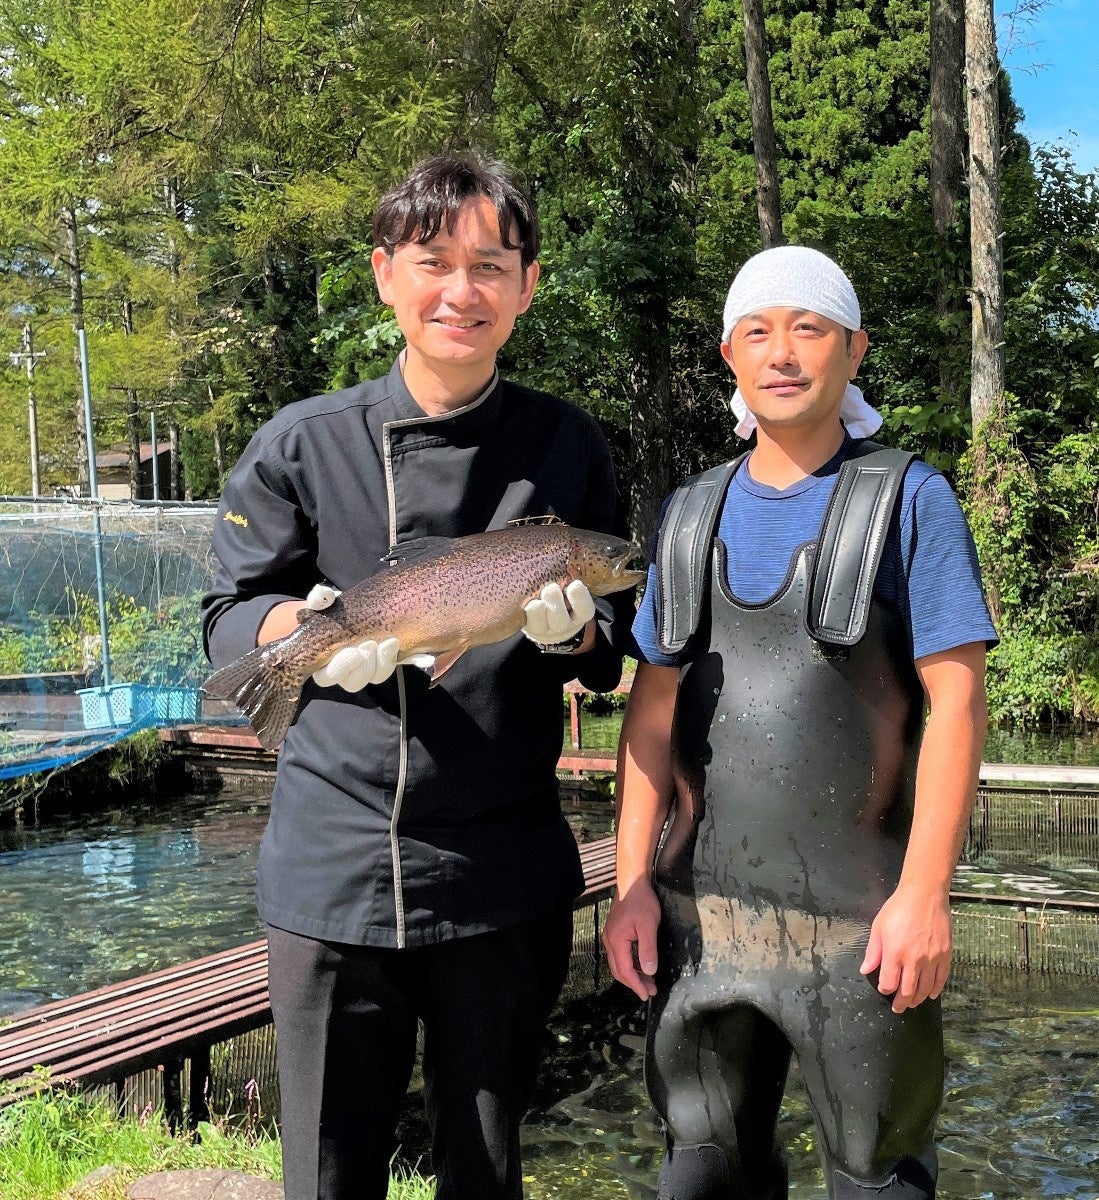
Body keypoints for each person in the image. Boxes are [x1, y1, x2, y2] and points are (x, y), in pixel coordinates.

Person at [201, 155, 631, 1200]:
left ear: (528, 285)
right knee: (328, 1170)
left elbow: (615, 648)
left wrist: (577, 632)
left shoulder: (566, 444)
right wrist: (290, 624)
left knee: (483, 1172)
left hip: (503, 872)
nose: (461, 291)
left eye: (491, 265)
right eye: (435, 262)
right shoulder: (302, 444)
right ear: (385, 274)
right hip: (331, 865)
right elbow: (225, 619)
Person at [601, 245, 996, 1200]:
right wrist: (630, 888)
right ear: (730, 356)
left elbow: (958, 704)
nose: (783, 353)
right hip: (701, 922)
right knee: (700, 1170)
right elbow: (650, 717)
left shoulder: (910, 501)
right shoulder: (689, 515)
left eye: (808, 328)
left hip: (862, 927)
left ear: (853, 350)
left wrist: (925, 895)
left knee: (874, 1172)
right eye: (759, 332)